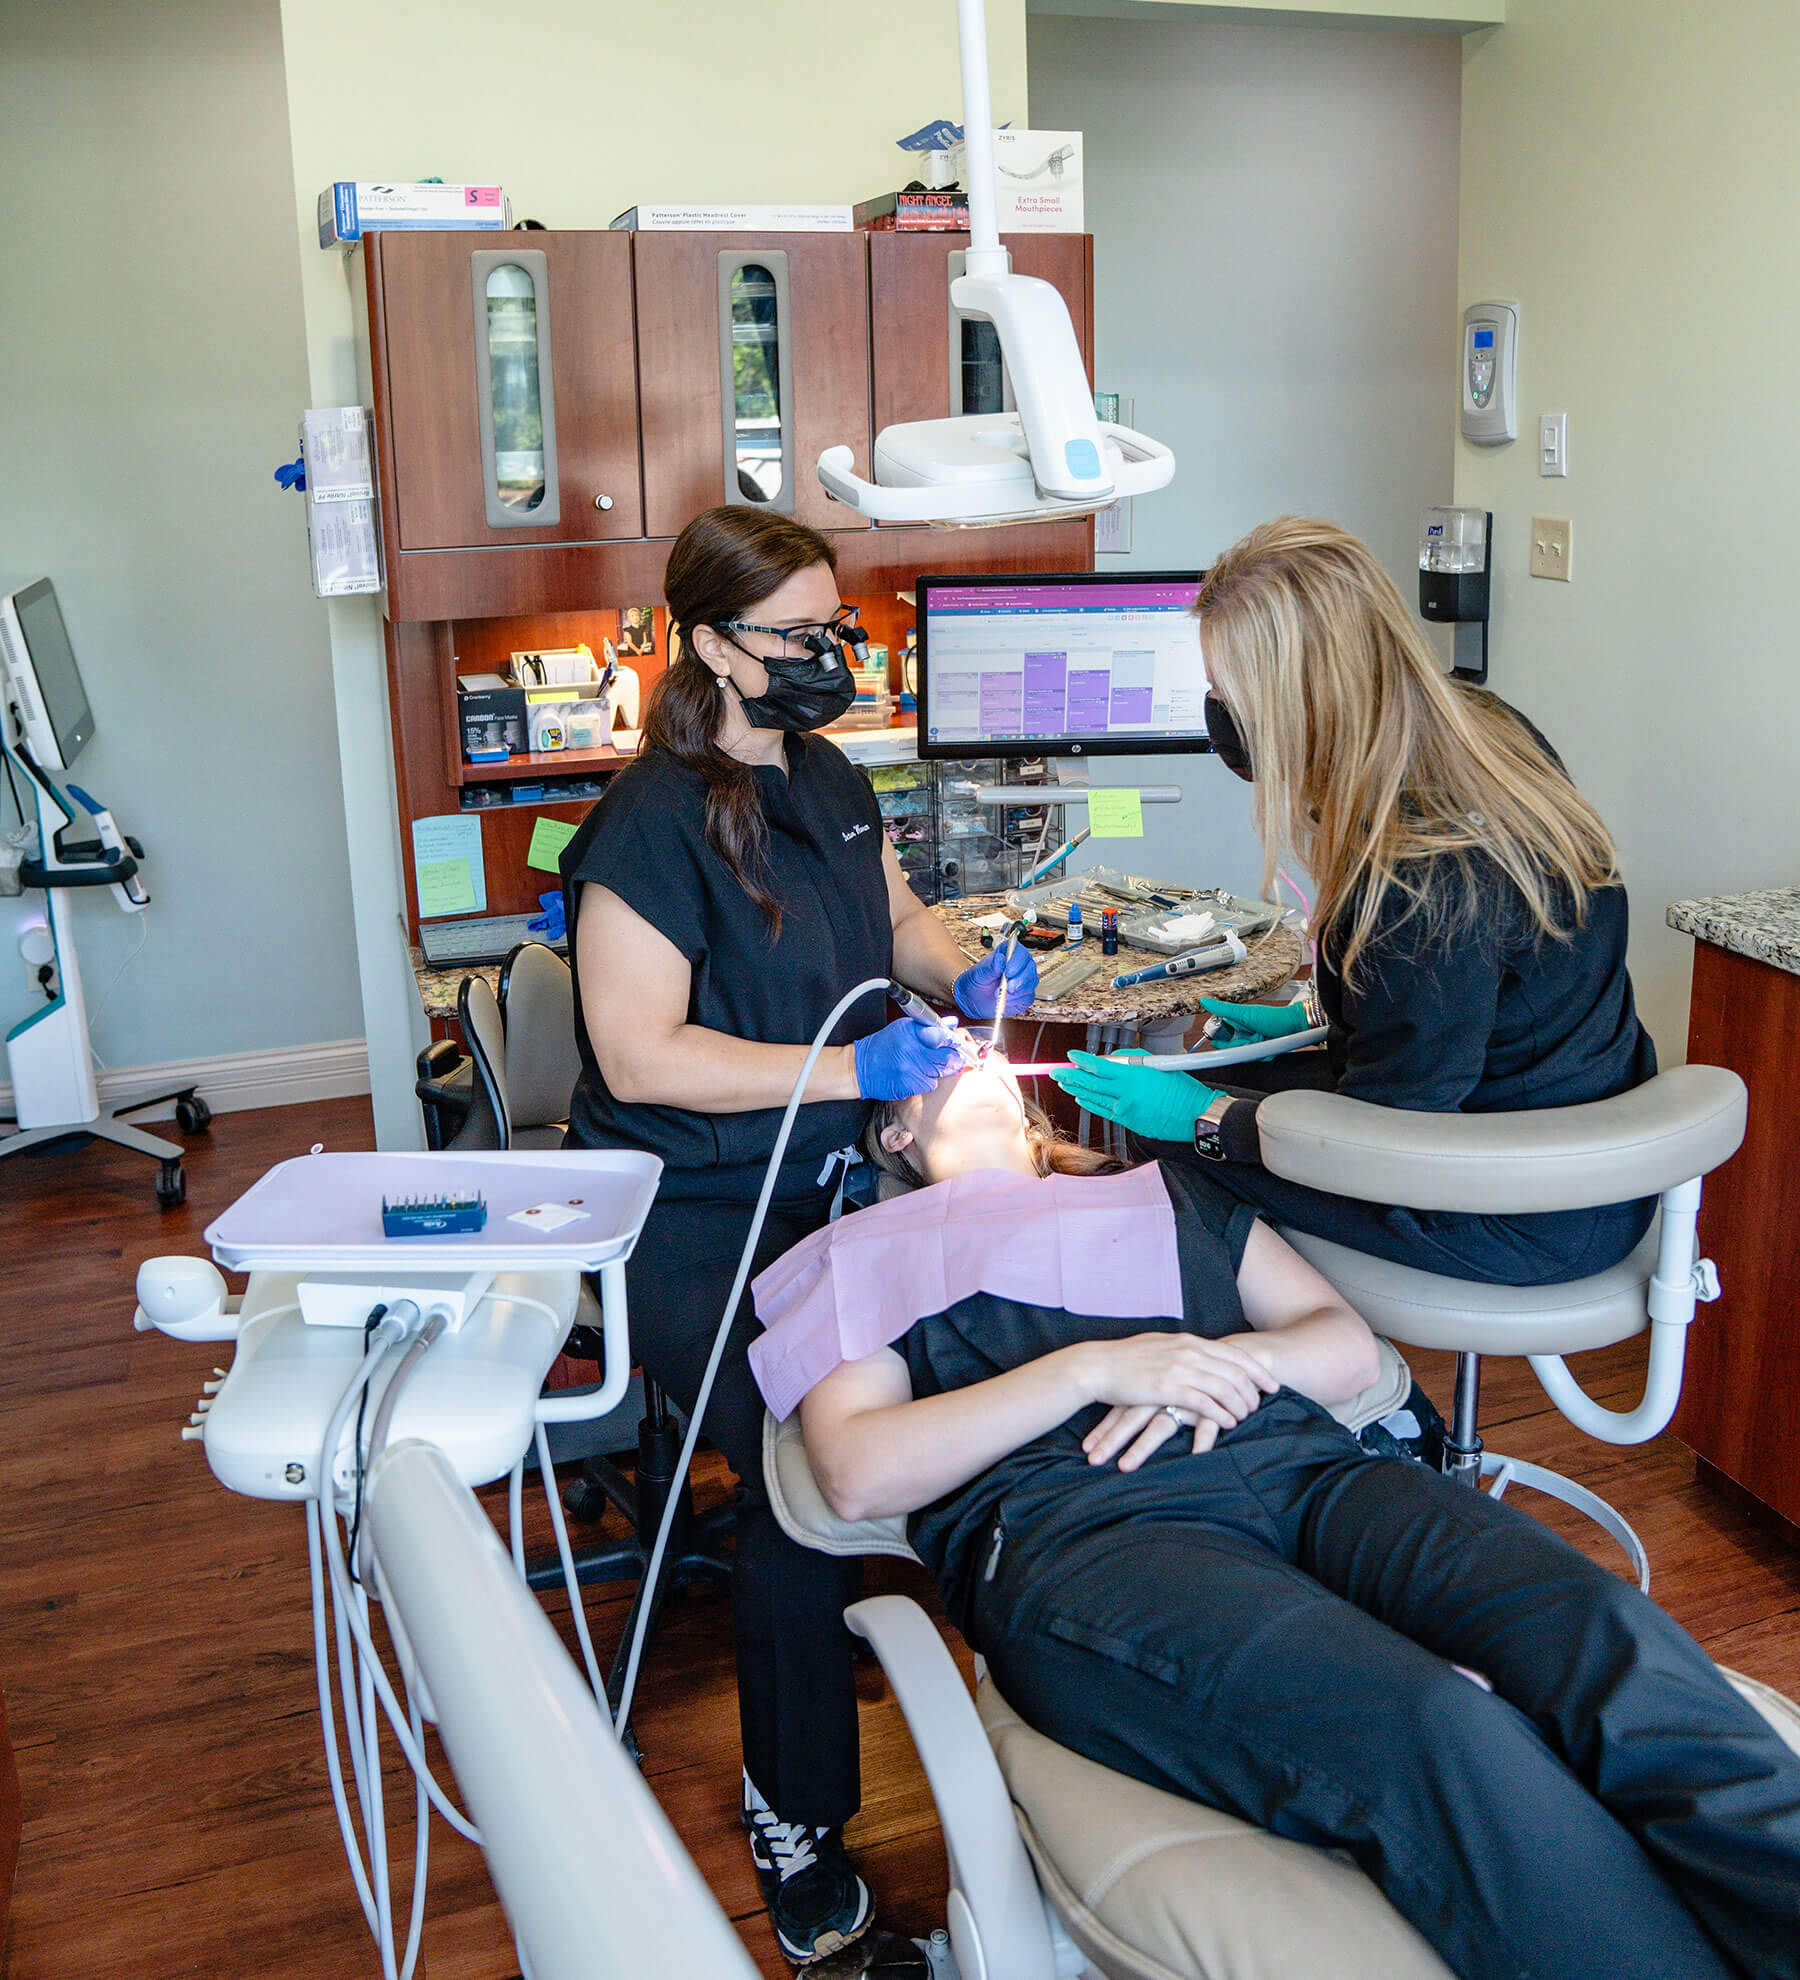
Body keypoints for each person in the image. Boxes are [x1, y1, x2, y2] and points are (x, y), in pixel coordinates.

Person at [784, 1061, 1800, 1980]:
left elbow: (1344, 1349)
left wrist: (1231, 1363)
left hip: (1310, 1472)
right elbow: (858, 1472)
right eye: (938, 1047)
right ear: (895, 1133)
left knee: (1600, 1631)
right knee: (1437, 1725)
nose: (969, 1047)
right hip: (1090, 1531)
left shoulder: (1160, 1193)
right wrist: (1091, 1371)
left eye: (981, 1043)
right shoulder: (860, 1250)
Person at [557, 506, 1036, 1967]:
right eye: (800, 635)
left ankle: (1042, 1728)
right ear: (712, 645)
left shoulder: (825, 774)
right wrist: (850, 1070)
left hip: (834, 1179)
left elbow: (898, 924)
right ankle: (798, 1819)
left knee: (997, 1359)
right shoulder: (646, 824)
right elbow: (639, 1056)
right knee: (796, 1456)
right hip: (690, 1207)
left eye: (840, 627)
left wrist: (971, 971)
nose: (833, 655)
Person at [1054, 517, 1658, 1287]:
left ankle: (1310, 1355)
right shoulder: (1481, 726)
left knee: (1172, 1139)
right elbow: (1467, 1000)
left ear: (1296, 702)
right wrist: (1321, 1016)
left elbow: (1386, 1137)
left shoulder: (1419, 877)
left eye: (1228, 695)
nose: (1216, 711)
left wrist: (1202, 1118)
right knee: (1229, 1086)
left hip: (1523, 1201)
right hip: (1573, 1131)